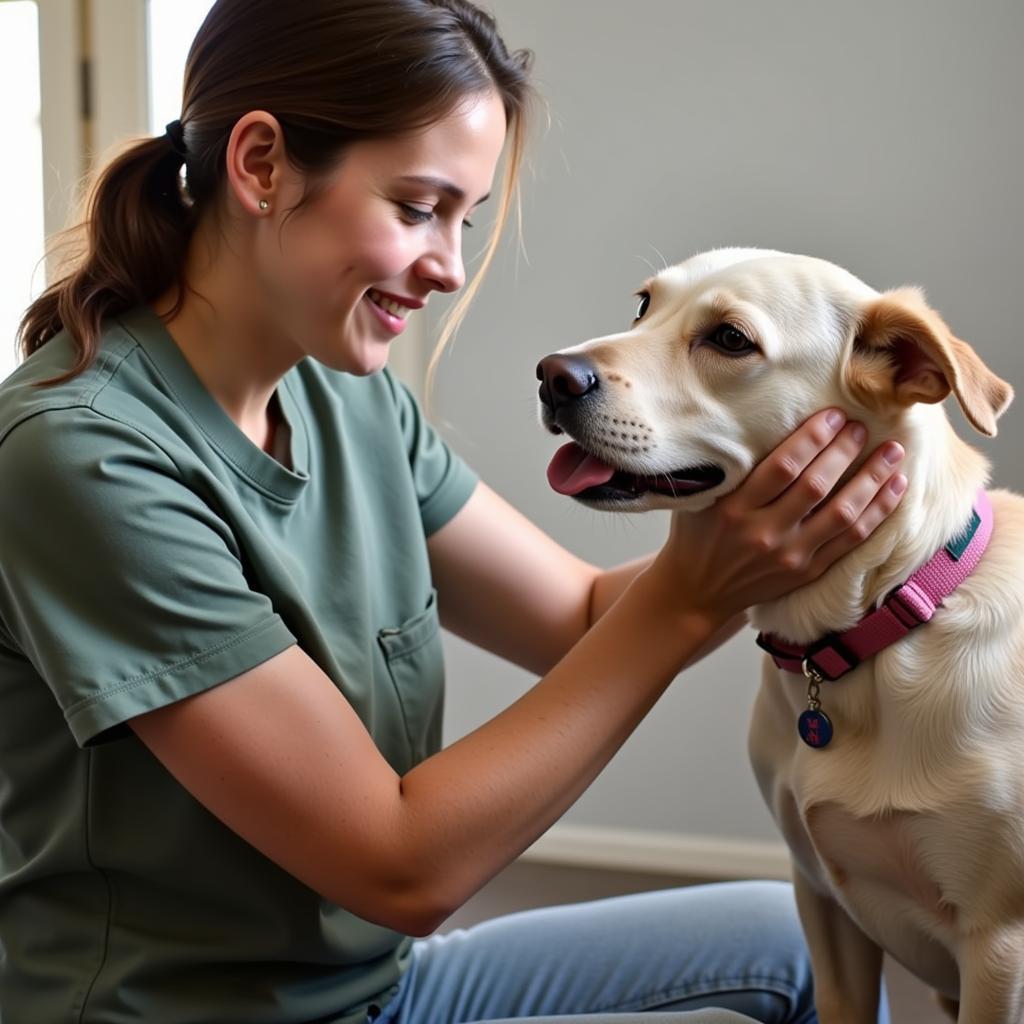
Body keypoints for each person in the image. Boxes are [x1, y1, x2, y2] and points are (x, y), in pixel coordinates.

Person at [0, 1, 907, 1022]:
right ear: (260, 165)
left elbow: (577, 621)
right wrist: (697, 597)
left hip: (378, 989)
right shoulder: (83, 457)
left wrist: (789, 523)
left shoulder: (347, 394)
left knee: (801, 944)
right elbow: (399, 868)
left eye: (463, 218)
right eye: (419, 205)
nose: (450, 267)